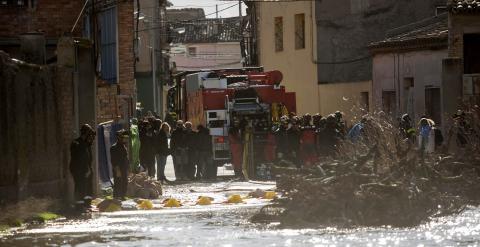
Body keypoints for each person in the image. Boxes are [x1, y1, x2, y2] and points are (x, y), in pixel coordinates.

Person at [70, 124, 96, 211]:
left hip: (85, 169)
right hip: (78, 170)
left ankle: (86, 204)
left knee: (87, 187)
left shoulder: (86, 144)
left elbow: (87, 157)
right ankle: (79, 206)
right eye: (89, 134)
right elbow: (78, 158)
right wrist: (85, 169)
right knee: (80, 186)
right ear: (85, 133)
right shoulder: (77, 143)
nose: (90, 136)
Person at [110, 130, 130, 200]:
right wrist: (117, 170)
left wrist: (128, 168)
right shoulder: (114, 147)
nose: (126, 139)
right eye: (124, 138)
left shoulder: (123, 146)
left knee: (124, 182)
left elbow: (126, 159)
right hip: (118, 168)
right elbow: (113, 160)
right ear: (119, 138)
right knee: (118, 183)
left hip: (124, 168)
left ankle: (122, 196)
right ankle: (117, 197)